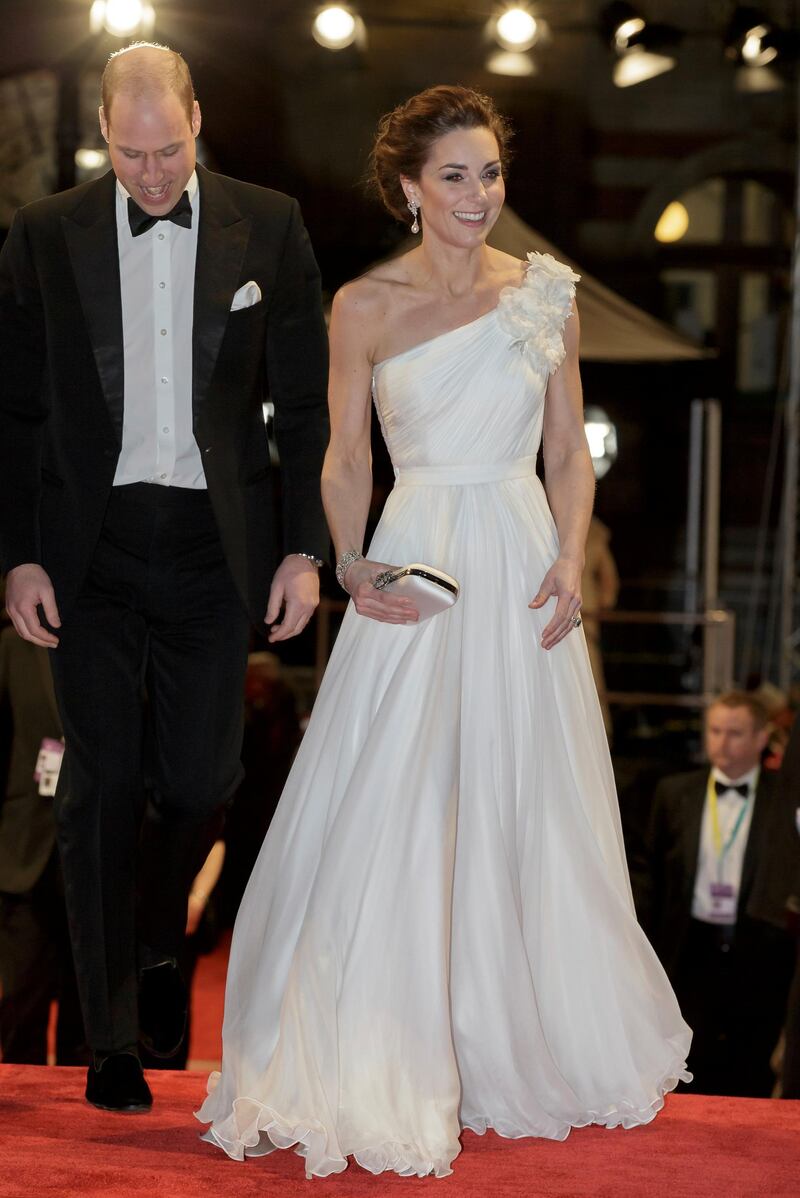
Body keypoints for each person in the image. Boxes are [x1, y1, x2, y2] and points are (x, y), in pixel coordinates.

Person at [197, 86, 690, 1179]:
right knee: (399, 795)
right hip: (414, 565)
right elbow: (340, 457)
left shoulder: (544, 295)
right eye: (454, 176)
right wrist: (348, 558)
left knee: (520, 800)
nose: (477, 195)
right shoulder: (363, 306)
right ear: (410, 187)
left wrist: (567, 553)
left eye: (490, 173)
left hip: (518, 560)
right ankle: (385, 1038)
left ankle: (513, 1034)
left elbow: (569, 451)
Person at [0, 43, 329, 1112]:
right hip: (87, 551)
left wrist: (302, 547)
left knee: (196, 783)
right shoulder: (45, 233)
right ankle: (110, 1038)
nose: (151, 174)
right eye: (130, 153)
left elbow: (304, 400)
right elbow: (11, 410)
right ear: (102, 129)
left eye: (170, 150)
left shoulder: (266, 225)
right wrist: (16, 554)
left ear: (197, 116)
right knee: (96, 788)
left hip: (209, 547)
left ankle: (152, 950)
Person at [631, 691, 799, 1097]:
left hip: (759, 948)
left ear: (762, 738)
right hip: (689, 948)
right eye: (715, 731)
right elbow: (649, 873)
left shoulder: (785, 799)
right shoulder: (674, 793)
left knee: (752, 1062)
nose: (722, 743)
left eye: (735, 733)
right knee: (685, 1060)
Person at [0, 623, 87, 1066]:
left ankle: (83, 1126)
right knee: (21, 1006)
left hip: (94, 850)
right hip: (24, 849)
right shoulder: (12, 646)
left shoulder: (120, 633)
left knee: (88, 1019)